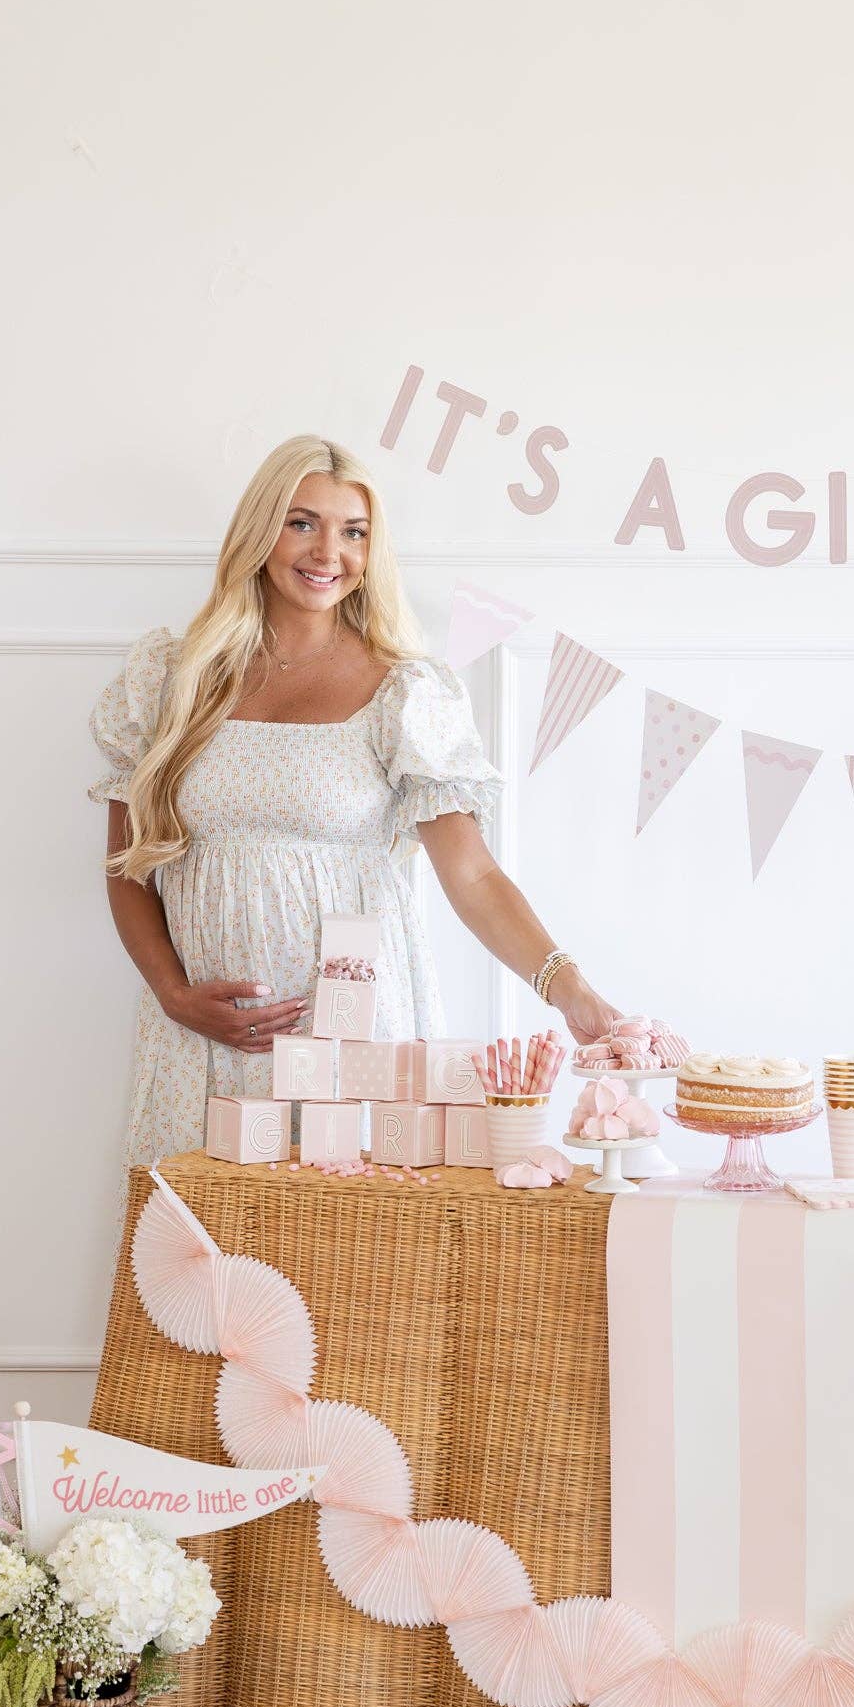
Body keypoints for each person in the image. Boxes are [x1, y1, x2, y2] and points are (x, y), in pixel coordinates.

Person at [88, 432, 621, 1182]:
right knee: (203, 1267)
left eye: (354, 531)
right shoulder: (176, 678)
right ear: (259, 531)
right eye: (302, 522)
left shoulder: (402, 691)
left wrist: (572, 992)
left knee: (355, 1270)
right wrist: (175, 995)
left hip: (353, 1044)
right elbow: (126, 862)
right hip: (204, 1039)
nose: (327, 551)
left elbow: (471, 877)